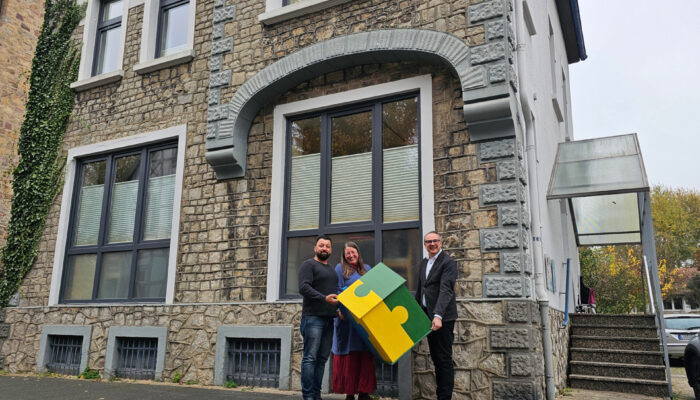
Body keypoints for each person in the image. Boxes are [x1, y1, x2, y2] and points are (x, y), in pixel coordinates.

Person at [414, 231, 457, 400]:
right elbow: (420, 290)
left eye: (435, 241)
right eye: (428, 241)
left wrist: (438, 315)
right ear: (425, 245)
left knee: (444, 359)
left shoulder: (448, 262)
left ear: (441, 243)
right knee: (436, 358)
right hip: (427, 316)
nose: (432, 244)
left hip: (442, 318)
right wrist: (416, 314)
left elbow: (446, 290)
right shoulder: (424, 263)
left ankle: (444, 397)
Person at [331, 242, 376, 400]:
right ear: (344, 256)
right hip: (348, 321)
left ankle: (364, 393)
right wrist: (339, 310)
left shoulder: (368, 269)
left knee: (364, 355)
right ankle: (350, 394)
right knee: (351, 356)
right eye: (347, 253)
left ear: (358, 252)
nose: (350, 255)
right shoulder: (340, 269)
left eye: (353, 252)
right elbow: (336, 292)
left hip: (364, 321)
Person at [298, 235, 340, 400]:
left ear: (330, 250)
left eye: (328, 246)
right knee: (310, 358)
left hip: (329, 319)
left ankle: (316, 395)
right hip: (312, 318)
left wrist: (337, 310)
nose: (324, 248)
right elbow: (303, 287)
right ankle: (308, 396)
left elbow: (333, 296)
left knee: (322, 359)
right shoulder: (308, 265)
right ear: (315, 248)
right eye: (321, 245)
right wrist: (324, 299)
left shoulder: (330, 270)